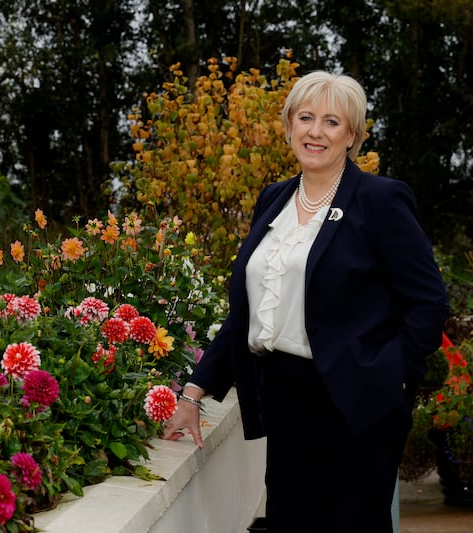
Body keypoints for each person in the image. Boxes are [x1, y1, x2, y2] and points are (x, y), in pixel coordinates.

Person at [161, 70, 449, 533]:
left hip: (359, 407)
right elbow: (247, 315)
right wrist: (193, 392)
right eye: (306, 117)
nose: (316, 132)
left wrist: (390, 380)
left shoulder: (380, 201)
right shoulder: (272, 200)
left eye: (332, 122)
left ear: (351, 135)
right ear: (289, 124)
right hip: (285, 398)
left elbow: (429, 304)